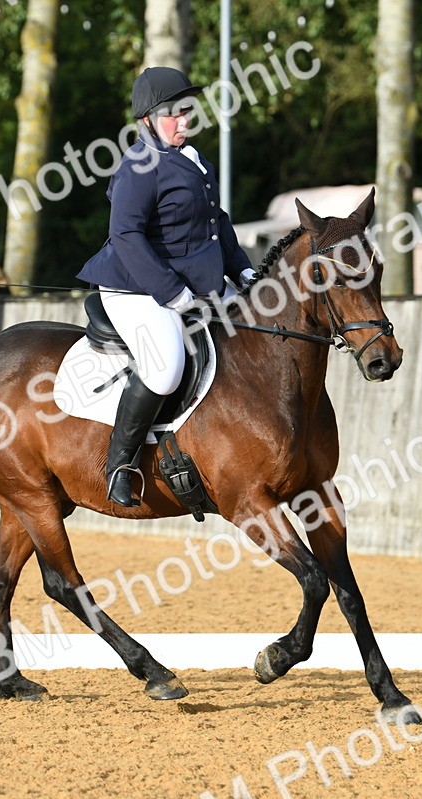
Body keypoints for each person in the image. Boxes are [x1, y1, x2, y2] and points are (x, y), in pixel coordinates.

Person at [77, 66, 255, 507]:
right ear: (147, 121)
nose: (184, 120)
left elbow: (218, 227)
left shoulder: (196, 161)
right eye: (172, 113)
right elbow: (127, 236)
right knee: (166, 366)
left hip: (200, 288)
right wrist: (172, 294)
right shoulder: (139, 168)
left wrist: (245, 273)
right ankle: (120, 463)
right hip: (137, 289)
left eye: (186, 110)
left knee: (258, 329)